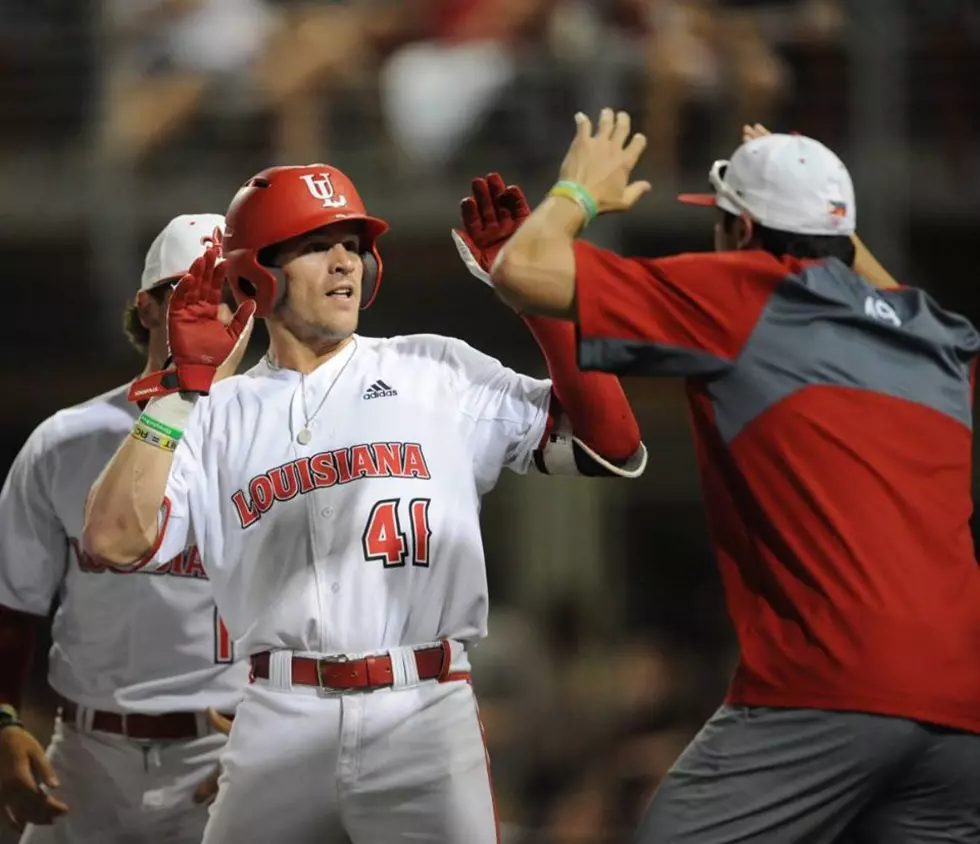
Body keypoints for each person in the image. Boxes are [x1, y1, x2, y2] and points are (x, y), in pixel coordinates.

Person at [80, 165, 648, 843]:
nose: (346, 260)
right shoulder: (217, 413)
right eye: (317, 244)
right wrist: (179, 387)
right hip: (278, 716)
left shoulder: (432, 369)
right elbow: (112, 539)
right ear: (256, 272)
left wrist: (541, 303)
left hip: (424, 708)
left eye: (354, 243)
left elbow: (607, 442)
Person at [489, 108, 980, 842]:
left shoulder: (744, 293)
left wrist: (578, 192)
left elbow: (522, 269)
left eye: (721, 222)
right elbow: (881, 291)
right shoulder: (941, 340)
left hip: (830, 685)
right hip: (962, 712)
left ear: (742, 235)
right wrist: (815, 211)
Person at [0, 214, 248, 842]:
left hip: (226, 748)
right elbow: (11, 600)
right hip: (86, 753)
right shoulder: (65, 441)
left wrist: (284, 743)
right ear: (145, 307)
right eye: (188, 293)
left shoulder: (282, 438)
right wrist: (2, 721)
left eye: (232, 294)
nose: (213, 312)